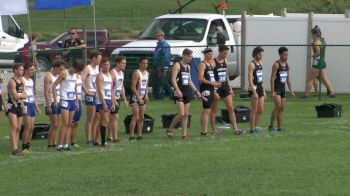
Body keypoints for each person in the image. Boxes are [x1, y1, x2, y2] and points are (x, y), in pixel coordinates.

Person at [166, 48, 202, 139]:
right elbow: (173, 79)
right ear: (184, 55)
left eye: (191, 56)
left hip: (187, 92)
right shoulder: (177, 65)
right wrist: (177, 90)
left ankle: (184, 134)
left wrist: (196, 91)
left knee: (186, 114)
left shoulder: (189, 67)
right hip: (179, 92)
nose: (190, 58)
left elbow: (189, 81)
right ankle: (170, 129)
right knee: (181, 114)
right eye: (189, 56)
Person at [211, 45, 245, 135]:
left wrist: (230, 88)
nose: (226, 54)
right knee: (214, 110)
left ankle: (236, 129)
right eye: (224, 53)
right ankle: (214, 130)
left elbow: (226, 75)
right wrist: (214, 89)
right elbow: (210, 76)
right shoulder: (213, 62)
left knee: (230, 108)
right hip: (216, 87)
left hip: (225, 87)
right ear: (220, 52)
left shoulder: (225, 60)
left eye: (227, 53)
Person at [52, 59, 85, 151]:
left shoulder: (75, 75)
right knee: (65, 123)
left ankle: (66, 144)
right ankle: (59, 145)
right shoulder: (64, 73)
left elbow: (75, 88)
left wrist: (77, 101)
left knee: (70, 123)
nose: (77, 72)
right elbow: (54, 86)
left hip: (72, 101)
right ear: (74, 67)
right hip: (65, 100)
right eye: (77, 70)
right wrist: (55, 99)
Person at [301, 25, 335, 98]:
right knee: (325, 79)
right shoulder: (322, 41)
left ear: (314, 34)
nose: (310, 35)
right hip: (322, 62)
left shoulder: (316, 42)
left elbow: (318, 53)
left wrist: (312, 56)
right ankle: (332, 93)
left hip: (317, 63)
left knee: (309, 79)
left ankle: (306, 95)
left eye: (311, 34)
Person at [268, 47, 295, 131]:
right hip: (277, 88)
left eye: (287, 54)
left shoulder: (287, 65)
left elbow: (288, 79)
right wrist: (272, 91)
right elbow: (272, 78)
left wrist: (291, 90)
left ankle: (279, 127)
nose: (286, 56)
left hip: (283, 89)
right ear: (280, 54)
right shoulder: (276, 64)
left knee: (281, 108)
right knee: (278, 106)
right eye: (284, 54)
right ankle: (271, 126)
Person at [198, 48, 221, 135]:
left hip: (211, 88)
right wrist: (212, 83)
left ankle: (211, 129)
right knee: (206, 109)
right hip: (205, 89)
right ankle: (204, 131)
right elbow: (200, 78)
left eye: (211, 54)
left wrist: (216, 83)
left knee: (210, 109)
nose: (210, 56)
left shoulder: (211, 64)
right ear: (204, 55)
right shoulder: (202, 64)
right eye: (208, 54)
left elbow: (211, 77)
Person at [81, 51, 101, 144]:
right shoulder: (87, 68)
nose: (100, 60)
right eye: (99, 58)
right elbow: (81, 80)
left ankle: (94, 136)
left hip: (96, 95)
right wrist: (87, 92)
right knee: (91, 117)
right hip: (90, 95)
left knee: (97, 116)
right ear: (93, 58)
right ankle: (88, 138)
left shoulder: (97, 68)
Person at [7, 64, 26, 156]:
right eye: (21, 70)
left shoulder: (22, 81)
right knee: (14, 127)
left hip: (20, 106)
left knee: (18, 128)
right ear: (15, 70)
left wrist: (20, 95)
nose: (22, 71)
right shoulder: (12, 82)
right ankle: (14, 149)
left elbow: (25, 95)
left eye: (23, 70)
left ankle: (16, 147)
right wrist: (20, 95)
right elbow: (14, 96)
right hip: (12, 106)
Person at [45, 60, 65, 149]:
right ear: (56, 68)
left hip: (58, 101)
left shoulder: (59, 76)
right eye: (60, 69)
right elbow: (46, 92)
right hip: (52, 102)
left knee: (58, 124)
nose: (61, 71)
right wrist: (48, 105)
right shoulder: (48, 77)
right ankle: (50, 143)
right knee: (54, 123)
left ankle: (54, 142)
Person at [21, 63, 41, 154]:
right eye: (31, 69)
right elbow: (22, 94)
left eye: (33, 69)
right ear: (26, 70)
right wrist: (22, 105)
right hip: (25, 103)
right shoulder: (22, 80)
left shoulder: (31, 80)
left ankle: (28, 146)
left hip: (31, 104)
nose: (33, 71)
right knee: (27, 126)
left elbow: (32, 94)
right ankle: (24, 147)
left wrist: (36, 107)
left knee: (32, 127)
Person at [129, 57, 150, 141]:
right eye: (144, 63)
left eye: (147, 63)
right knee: (136, 117)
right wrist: (138, 97)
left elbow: (146, 85)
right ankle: (131, 135)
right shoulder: (137, 73)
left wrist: (146, 95)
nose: (145, 65)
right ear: (140, 64)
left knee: (142, 117)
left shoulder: (147, 73)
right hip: (135, 97)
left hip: (142, 97)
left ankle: (139, 135)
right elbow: (133, 87)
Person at [108, 56, 128, 143]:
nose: (125, 65)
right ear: (118, 63)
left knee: (112, 117)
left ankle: (109, 136)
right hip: (111, 97)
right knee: (114, 117)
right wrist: (113, 100)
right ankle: (115, 137)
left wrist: (125, 99)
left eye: (125, 63)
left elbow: (121, 87)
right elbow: (110, 87)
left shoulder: (121, 73)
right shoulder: (113, 72)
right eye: (123, 63)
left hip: (117, 97)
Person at [95, 58, 114, 146]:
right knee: (104, 120)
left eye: (108, 64)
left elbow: (111, 89)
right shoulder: (100, 76)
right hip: (102, 100)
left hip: (108, 99)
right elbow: (99, 90)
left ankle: (96, 139)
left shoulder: (110, 76)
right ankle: (103, 141)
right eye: (105, 65)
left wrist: (113, 102)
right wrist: (104, 103)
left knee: (104, 120)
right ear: (101, 66)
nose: (106, 66)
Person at [248, 46, 265, 135]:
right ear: (255, 54)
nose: (261, 56)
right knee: (254, 109)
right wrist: (254, 92)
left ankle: (254, 126)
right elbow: (250, 79)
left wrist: (264, 90)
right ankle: (252, 129)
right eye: (259, 54)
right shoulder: (252, 64)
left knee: (261, 109)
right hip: (254, 88)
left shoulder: (260, 63)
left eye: (262, 54)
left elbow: (261, 78)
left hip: (260, 87)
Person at [152, 30, 172, 99]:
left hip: (162, 66)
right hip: (157, 65)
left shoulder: (164, 44)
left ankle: (171, 93)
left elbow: (165, 57)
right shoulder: (158, 44)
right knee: (158, 80)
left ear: (162, 36)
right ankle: (156, 96)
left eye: (158, 36)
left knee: (162, 80)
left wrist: (161, 66)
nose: (157, 37)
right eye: (156, 36)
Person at [70, 61, 84, 149]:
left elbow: (81, 87)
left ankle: (73, 142)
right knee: (69, 123)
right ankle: (66, 141)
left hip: (79, 101)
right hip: (72, 100)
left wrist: (87, 92)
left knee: (76, 123)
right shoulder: (71, 76)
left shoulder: (80, 77)